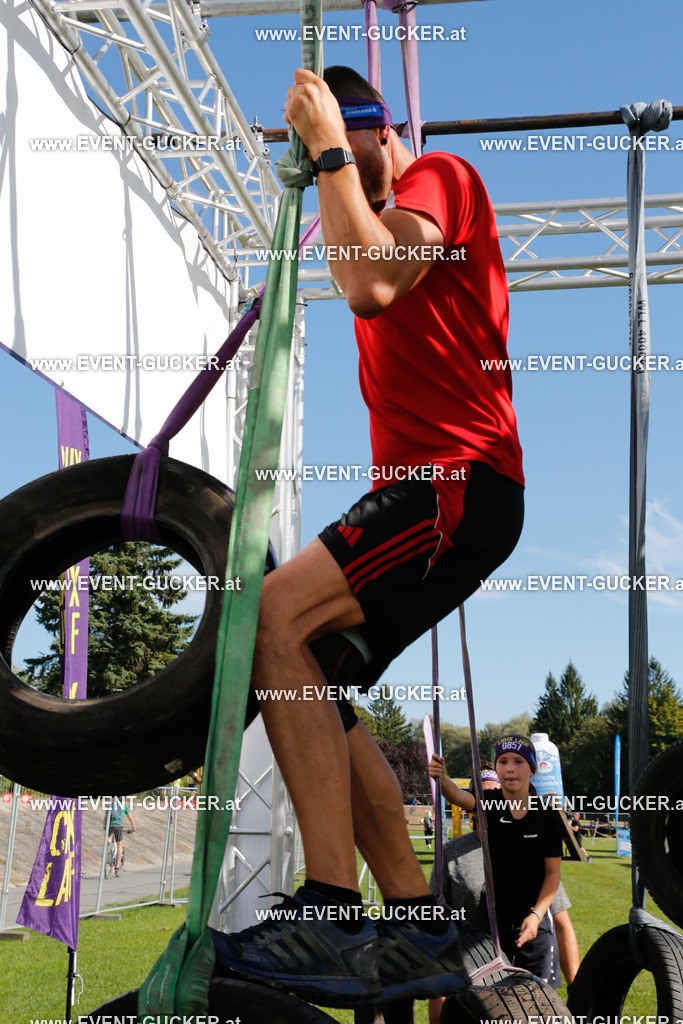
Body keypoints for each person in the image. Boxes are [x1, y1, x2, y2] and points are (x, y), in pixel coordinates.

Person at [211, 64, 524, 1007]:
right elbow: (362, 267)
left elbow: (374, 283)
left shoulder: (442, 179)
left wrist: (331, 154)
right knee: (317, 682)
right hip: (435, 492)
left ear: (378, 135)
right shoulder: (357, 204)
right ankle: (415, 920)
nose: (347, 181)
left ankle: (328, 903)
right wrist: (330, 171)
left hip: (453, 482)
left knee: (271, 613)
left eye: (351, 155)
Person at [428, 762, 579, 1021]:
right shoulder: (450, 854)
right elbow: (436, 924)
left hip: (530, 966)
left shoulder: (530, 847)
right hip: (476, 976)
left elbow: (562, 923)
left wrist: (578, 989)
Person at [106, 798, 136, 877]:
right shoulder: (123, 807)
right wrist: (133, 828)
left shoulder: (111, 805)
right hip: (118, 825)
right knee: (119, 845)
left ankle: (106, 850)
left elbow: (106, 816)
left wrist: (104, 826)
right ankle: (117, 866)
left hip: (110, 825)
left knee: (109, 837)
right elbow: (130, 817)